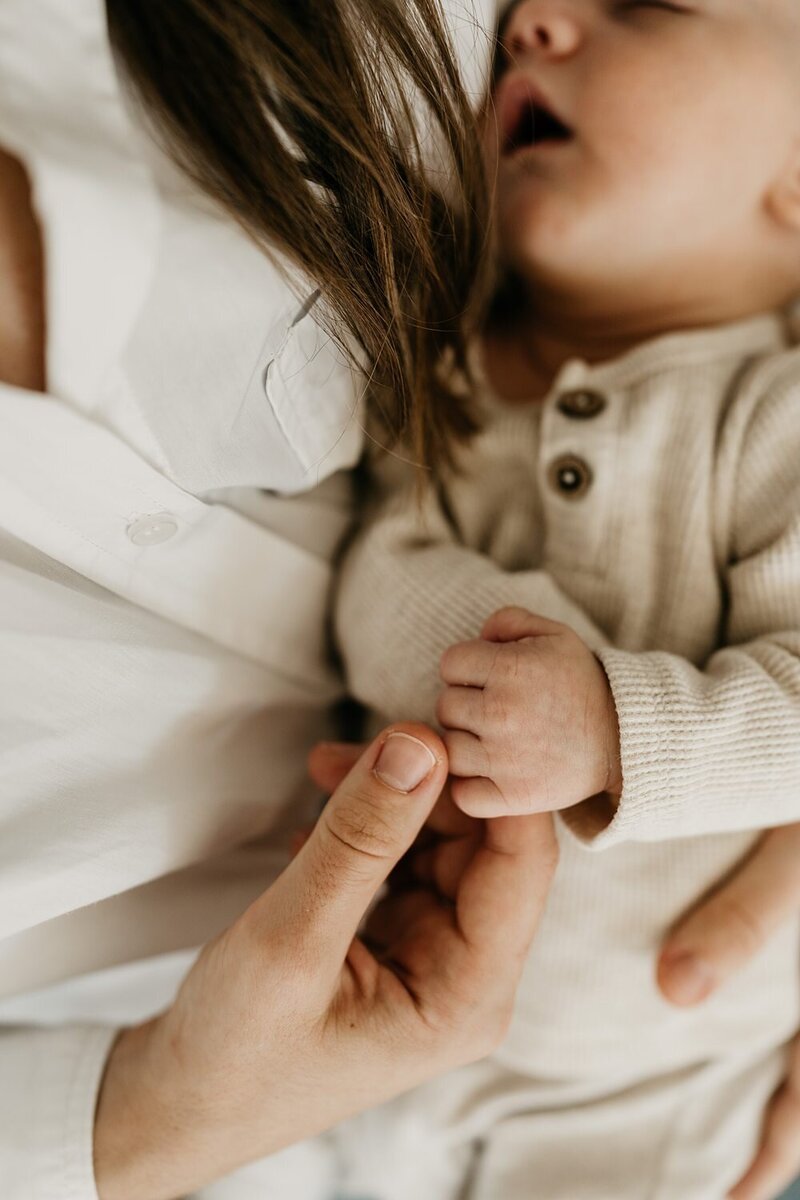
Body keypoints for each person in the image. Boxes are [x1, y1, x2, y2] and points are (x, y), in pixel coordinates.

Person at [333, 0, 800, 1196]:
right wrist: (463, 645)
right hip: (386, 1004)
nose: (530, 21)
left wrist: (613, 726)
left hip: (662, 1070)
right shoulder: (434, 378)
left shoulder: (774, 418)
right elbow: (377, 571)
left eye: (642, 4)